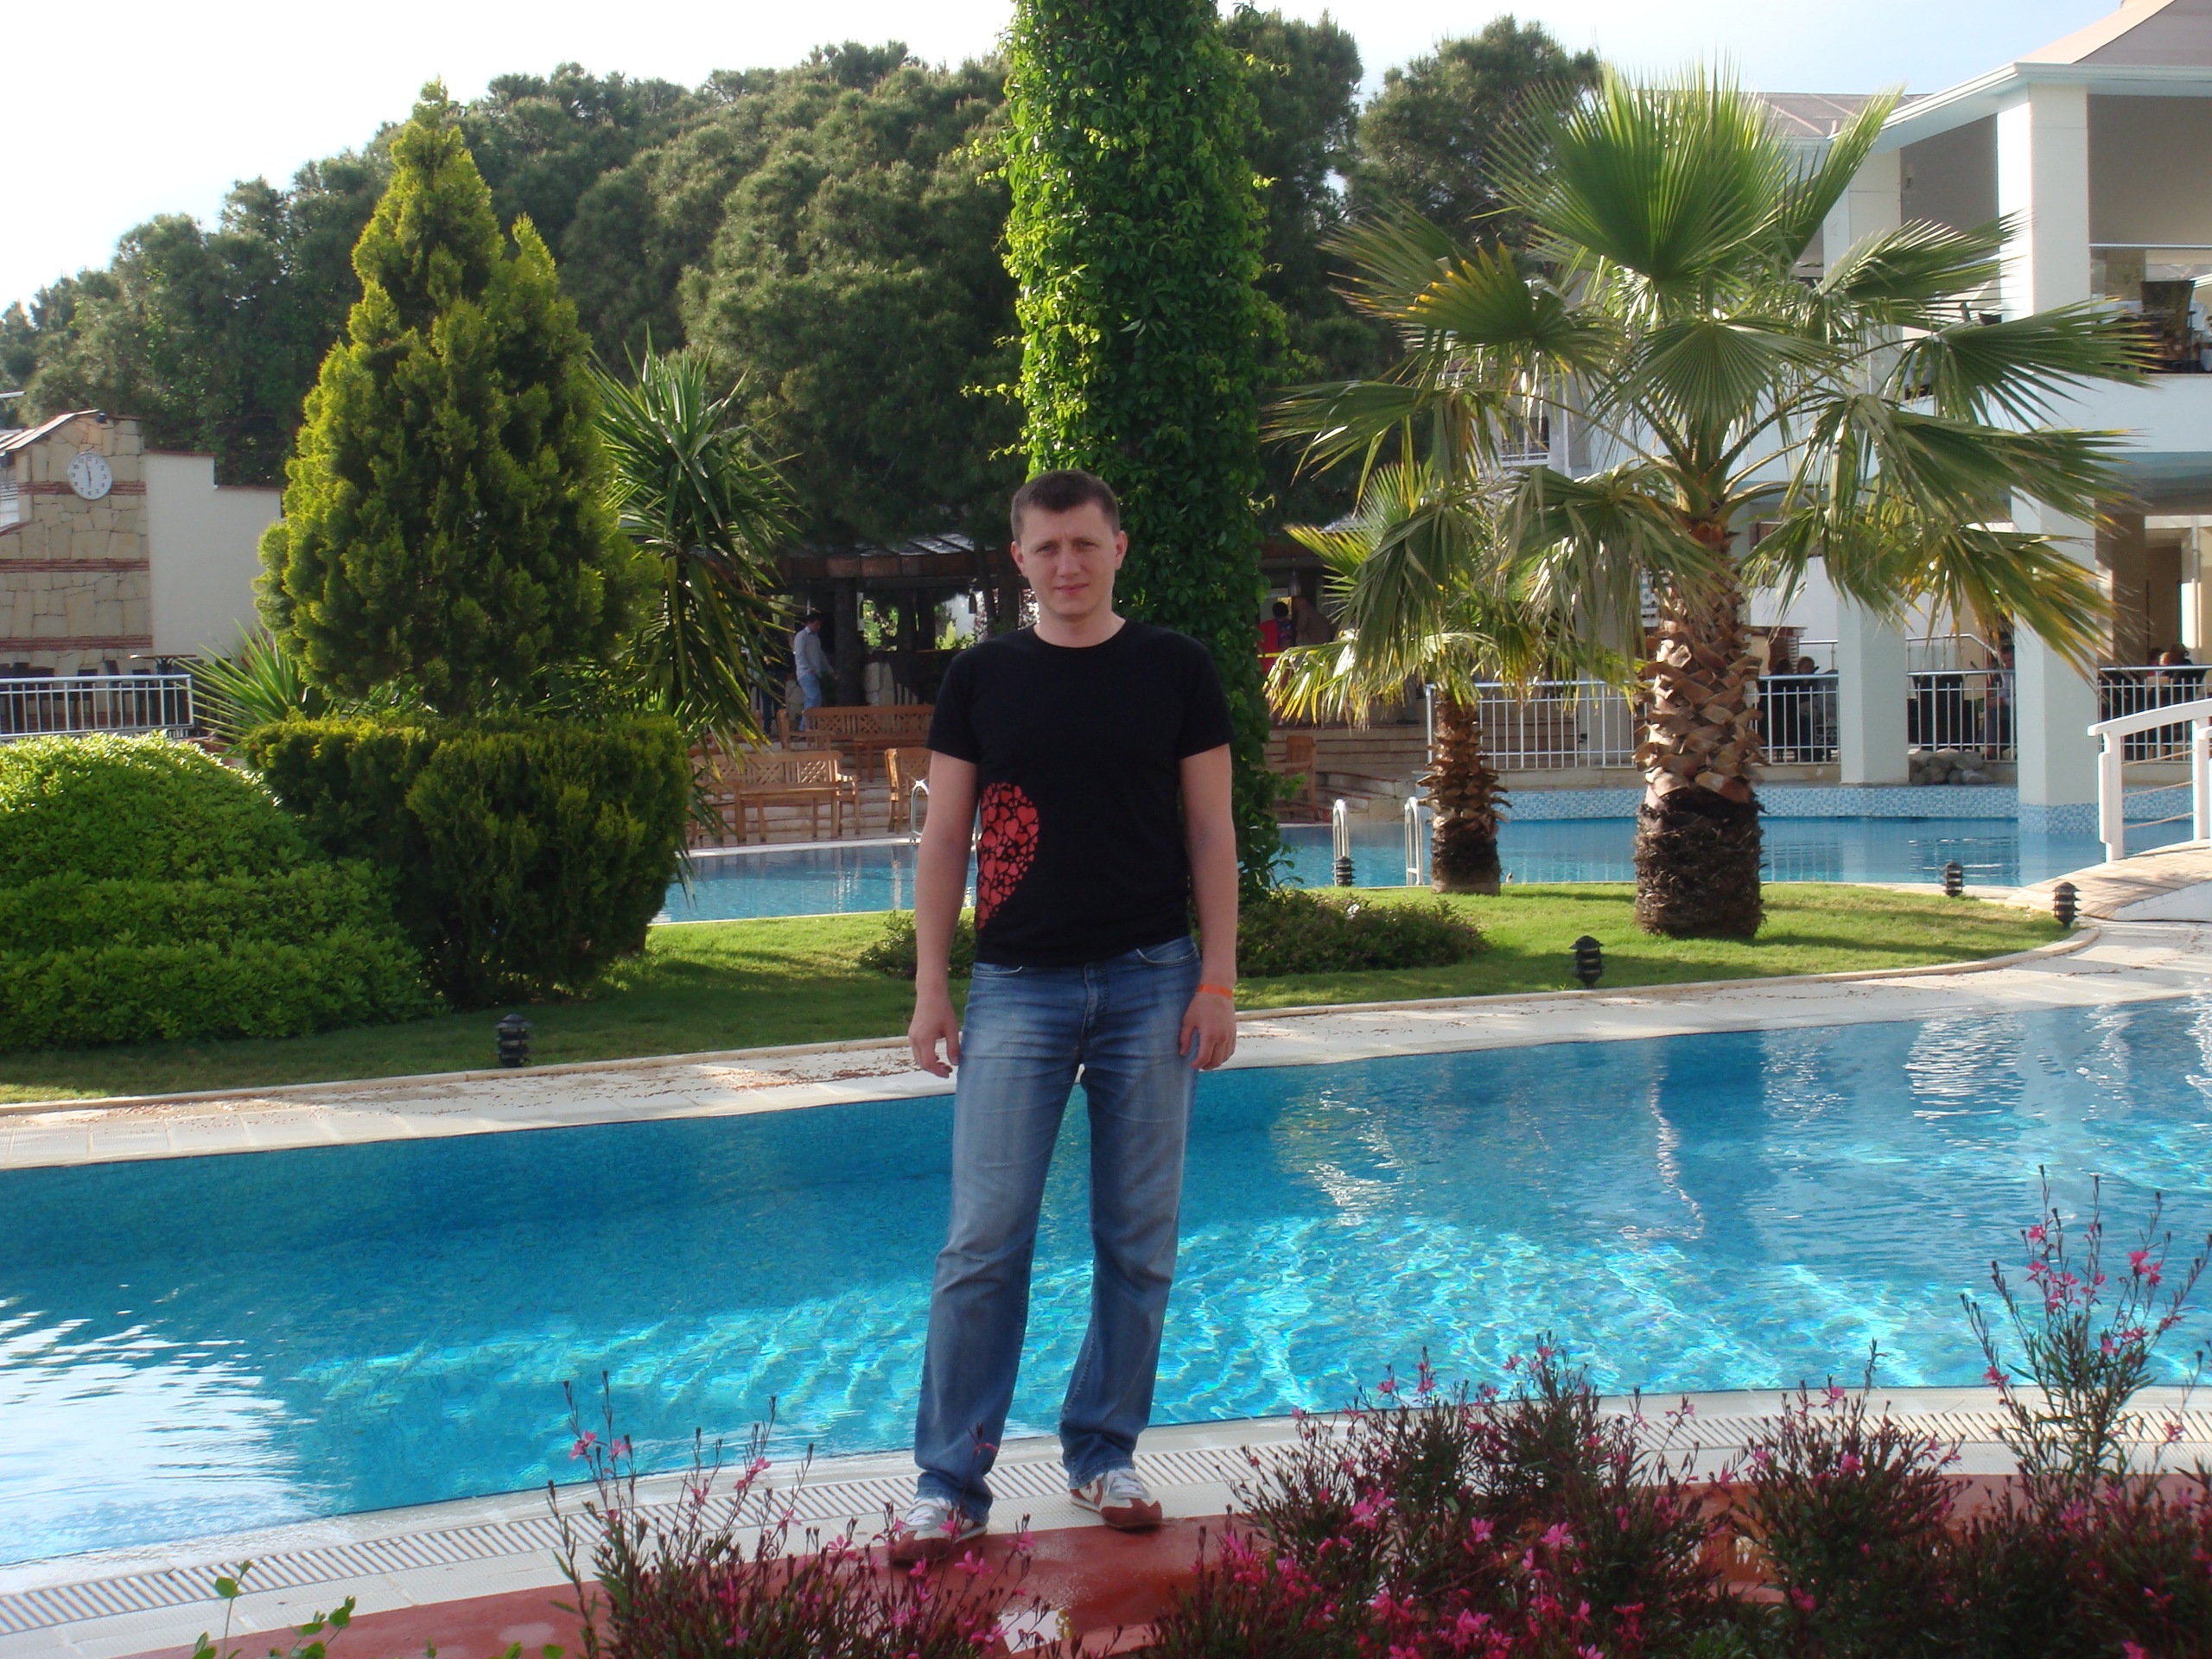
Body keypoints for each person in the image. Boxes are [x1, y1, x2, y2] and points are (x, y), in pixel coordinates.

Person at [892, 467, 1240, 1565]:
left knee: (1138, 1239)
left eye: (1085, 544)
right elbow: (944, 839)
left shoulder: (1175, 669)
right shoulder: (982, 677)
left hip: (1152, 981)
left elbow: (1211, 834)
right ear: (1020, 560)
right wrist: (932, 983)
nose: (1067, 565)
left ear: (1118, 548)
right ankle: (950, 1482)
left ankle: (1102, 1451)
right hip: (1018, 986)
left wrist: (1219, 980)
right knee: (982, 1240)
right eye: (1046, 548)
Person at [792, 611, 831, 719]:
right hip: (806, 673)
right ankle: (806, 726)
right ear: (809, 623)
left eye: (819, 625)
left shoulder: (815, 638)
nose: (818, 627)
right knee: (813, 698)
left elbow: (820, 655)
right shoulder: (801, 636)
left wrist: (829, 670)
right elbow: (800, 654)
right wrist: (808, 668)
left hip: (816, 673)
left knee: (814, 700)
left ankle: (809, 725)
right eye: (816, 624)